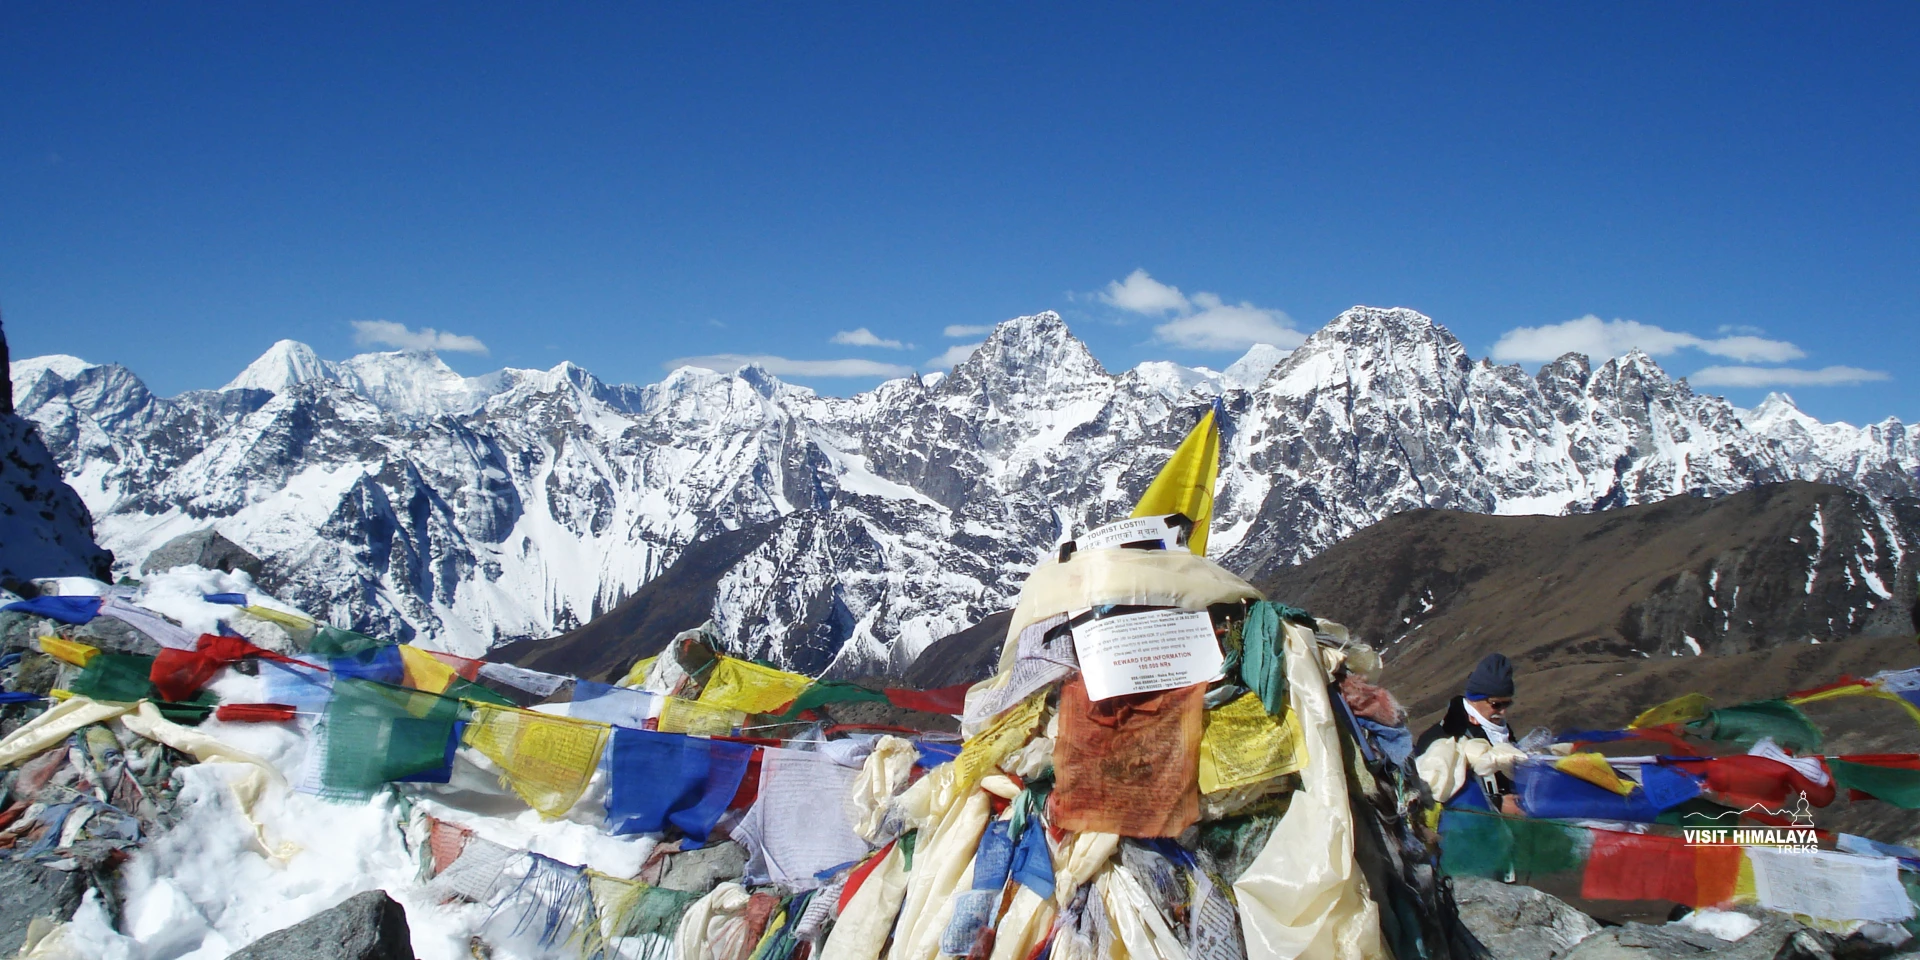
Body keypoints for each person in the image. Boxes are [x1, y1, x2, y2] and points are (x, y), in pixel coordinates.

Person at [1416, 653, 1521, 814]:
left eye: (1507, 704)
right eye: (1496, 704)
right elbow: (1440, 793)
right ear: (1475, 699)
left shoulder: (1497, 729)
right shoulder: (1442, 738)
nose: (1503, 711)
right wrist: (1499, 803)